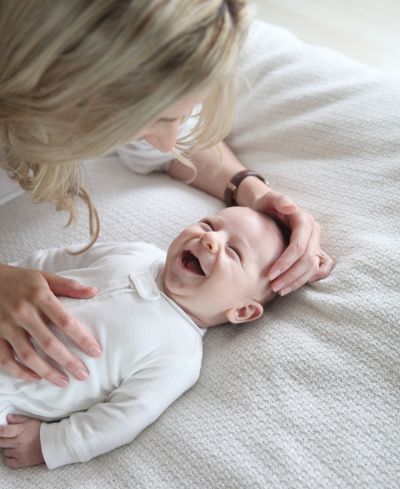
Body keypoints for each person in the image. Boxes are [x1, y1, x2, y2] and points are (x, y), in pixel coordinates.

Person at [0, 1, 334, 387]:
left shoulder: (176, 357)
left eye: (179, 115)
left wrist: (250, 190)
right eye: (157, 120)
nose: (167, 143)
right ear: (67, 84)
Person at [1, 206, 288, 470]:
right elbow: (61, 259)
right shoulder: (139, 252)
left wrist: (49, 443)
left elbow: (122, 419)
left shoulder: (178, 356)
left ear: (242, 310)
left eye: (234, 252)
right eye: (208, 224)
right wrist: (13, 273)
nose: (210, 239)